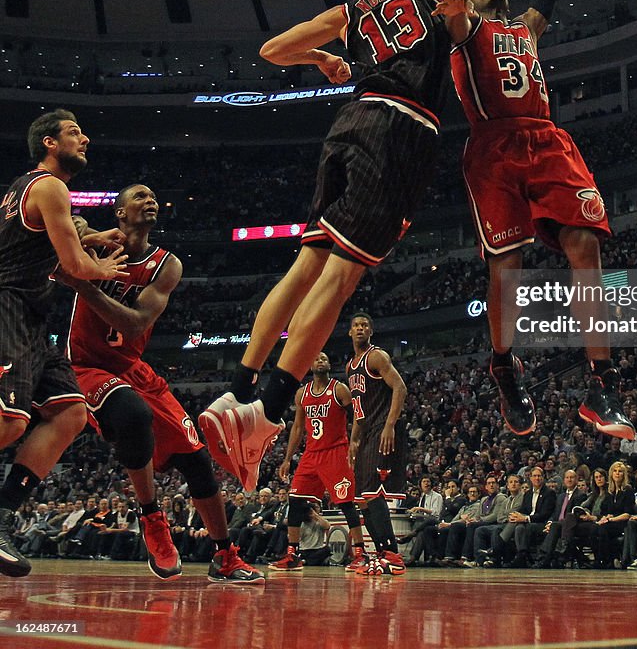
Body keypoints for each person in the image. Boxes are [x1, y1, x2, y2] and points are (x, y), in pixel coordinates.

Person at [199, 0, 470, 491]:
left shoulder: (347, 15)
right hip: (399, 131)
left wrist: (323, 58)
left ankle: (237, 389)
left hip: (347, 128)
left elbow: (270, 50)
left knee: (306, 266)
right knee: (342, 277)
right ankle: (266, 411)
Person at [432, 0, 632, 440]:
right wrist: (449, 7)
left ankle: (601, 385)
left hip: (547, 141)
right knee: (509, 266)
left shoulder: (526, 29)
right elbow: (447, 20)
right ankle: (502, 362)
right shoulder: (466, 27)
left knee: (586, 246)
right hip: (494, 149)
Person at [61, 182, 262, 584]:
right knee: (132, 415)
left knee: (197, 462)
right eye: (139, 196)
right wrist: (85, 235)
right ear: (119, 212)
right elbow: (70, 220)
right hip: (86, 366)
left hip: (132, 365)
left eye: (154, 197)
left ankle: (224, 557)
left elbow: (134, 323)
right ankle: (151, 515)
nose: (151, 200)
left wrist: (83, 284)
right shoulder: (96, 246)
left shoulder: (166, 264)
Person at [0, 109, 129, 578]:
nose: (86, 139)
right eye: (75, 132)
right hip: (6, 304)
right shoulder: (48, 185)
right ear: (49, 143)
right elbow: (73, 266)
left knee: (72, 413)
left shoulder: (27, 190)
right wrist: (105, 269)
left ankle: (2, 515)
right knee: (10, 422)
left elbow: (58, 253)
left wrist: (92, 236)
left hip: (30, 314)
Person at [273, 350, 365, 572]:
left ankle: (361, 554)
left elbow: (358, 416)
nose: (320, 361)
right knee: (295, 502)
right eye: (316, 358)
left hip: (335, 452)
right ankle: (293, 555)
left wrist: (354, 442)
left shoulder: (339, 389)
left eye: (324, 358)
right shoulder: (302, 394)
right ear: (309, 365)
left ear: (329, 364)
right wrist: (287, 458)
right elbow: (297, 428)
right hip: (311, 454)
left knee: (346, 503)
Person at [345, 312, 408, 575]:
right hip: (367, 431)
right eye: (356, 325)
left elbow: (400, 387)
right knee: (361, 497)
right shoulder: (350, 366)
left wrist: (390, 425)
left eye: (364, 325)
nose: (360, 328)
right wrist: (353, 441)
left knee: (372, 492)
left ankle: (392, 553)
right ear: (350, 332)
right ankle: (381, 553)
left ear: (370, 331)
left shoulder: (377, 356)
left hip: (384, 429)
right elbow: (359, 410)